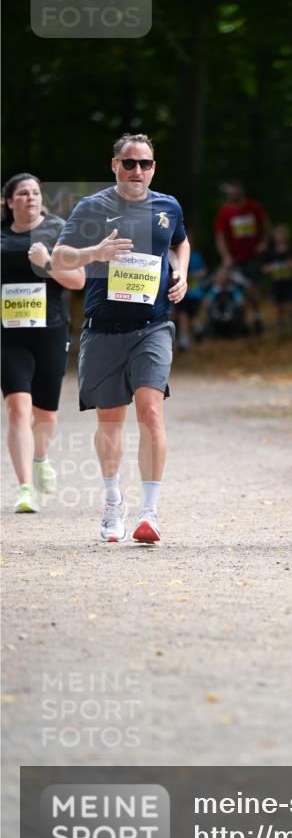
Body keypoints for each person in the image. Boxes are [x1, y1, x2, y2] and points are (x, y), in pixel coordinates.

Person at [51, 133, 190, 543]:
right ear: (114, 165)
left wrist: (181, 271)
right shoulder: (92, 208)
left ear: (153, 168)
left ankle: (150, 512)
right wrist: (95, 252)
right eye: (129, 163)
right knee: (110, 421)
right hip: (103, 328)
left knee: (150, 412)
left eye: (144, 164)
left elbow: (180, 243)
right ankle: (113, 501)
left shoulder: (168, 206)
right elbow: (60, 258)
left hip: (153, 326)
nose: (137, 171)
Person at [1, 173, 85, 513]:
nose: (31, 198)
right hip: (8, 334)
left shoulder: (57, 230)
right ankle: (24, 488)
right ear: (9, 202)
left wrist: (47, 263)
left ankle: (40, 457)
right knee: (18, 407)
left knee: (46, 415)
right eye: (23, 193)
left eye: (36, 192)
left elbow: (78, 280)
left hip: (50, 330)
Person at [214, 181, 270, 334]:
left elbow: (265, 225)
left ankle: (257, 317)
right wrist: (226, 256)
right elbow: (220, 236)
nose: (232, 193)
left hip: (253, 256)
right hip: (235, 258)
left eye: (235, 190)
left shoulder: (253, 207)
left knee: (251, 287)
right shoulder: (225, 212)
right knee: (238, 287)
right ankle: (240, 321)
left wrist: (264, 243)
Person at [261, 223, 292, 332]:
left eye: (282, 234)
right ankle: (281, 328)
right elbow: (264, 267)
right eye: (278, 234)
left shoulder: (291, 249)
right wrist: (271, 268)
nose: (280, 237)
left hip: (289, 282)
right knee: (279, 307)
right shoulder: (270, 251)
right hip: (277, 283)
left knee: (291, 305)